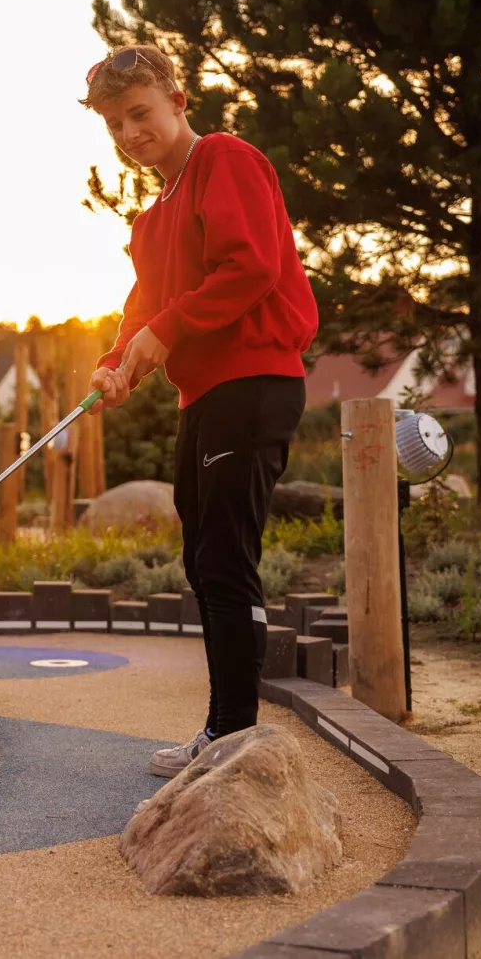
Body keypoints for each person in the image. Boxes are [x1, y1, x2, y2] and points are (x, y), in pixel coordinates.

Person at [83, 46, 318, 778]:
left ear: (178, 100)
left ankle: (232, 733)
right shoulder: (152, 216)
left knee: (225, 557)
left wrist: (162, 332)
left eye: (140, 113)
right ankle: (225, 730)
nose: (129, 132)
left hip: (253, 381)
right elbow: (146, 305)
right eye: (116, 123)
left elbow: (250, 268)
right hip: (203, 395)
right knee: (203, 559)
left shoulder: (224, 159)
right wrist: (119, 359)